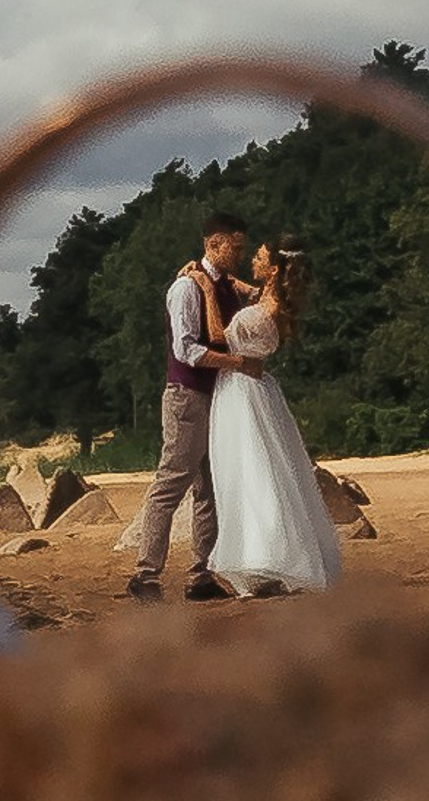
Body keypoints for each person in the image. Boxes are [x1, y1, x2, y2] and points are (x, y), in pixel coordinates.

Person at [187, 236, 342, 596]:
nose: (251, 262)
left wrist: (205, 289)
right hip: (254, 390)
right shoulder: (272, 301)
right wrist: (224, 280)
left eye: (258, 257)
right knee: (262, 469)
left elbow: (216, 337)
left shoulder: (264, 309)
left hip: (240, 391)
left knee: (248, 472)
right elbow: (248, 290)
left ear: (273, 269)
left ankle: (262, 556)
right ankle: (261, 558)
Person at [125, 211, 260, 602]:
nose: (239, 254)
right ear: (212, 244)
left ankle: (199, 574)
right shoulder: (185, 288)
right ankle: (145, 574)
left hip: (215, 398)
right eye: (234, 247)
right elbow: (185, 350)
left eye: (241, 248)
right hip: (187, 396)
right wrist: (238, 364)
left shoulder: (227, 288)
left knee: (210, 488)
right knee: (172, 482)